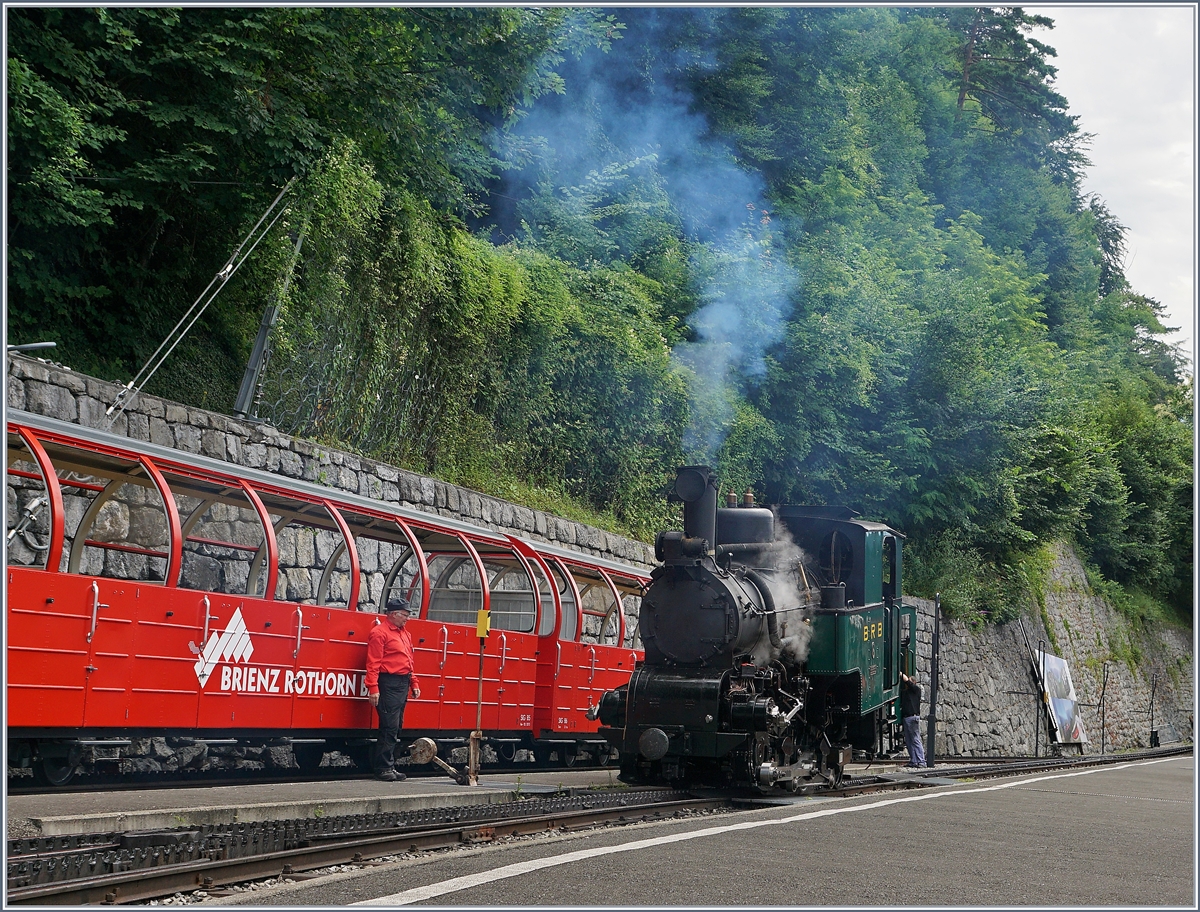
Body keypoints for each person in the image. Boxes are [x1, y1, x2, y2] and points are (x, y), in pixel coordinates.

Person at [366, 597, 421, 781]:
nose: (407, 618)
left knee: (396, 726)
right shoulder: (379, 633)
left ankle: (389, 764)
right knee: (389, 726)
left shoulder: (404, 633)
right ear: (392, 614)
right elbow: (373, 662)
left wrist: (413, 682)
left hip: (401, 681)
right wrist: (373, 687)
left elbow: (409, 660)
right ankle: (383, 767)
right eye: (404, 615)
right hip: (388, 682)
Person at [899, 670, 926, 768]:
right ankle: (914, 761)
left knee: (915, 739)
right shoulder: (906, 693)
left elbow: (908, 682)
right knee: (910, 741)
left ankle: (921, 761)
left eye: (910, 682)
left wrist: (901, 674)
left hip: (913, 717)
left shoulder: (916, 690)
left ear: (913, 682)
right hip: (907, 718)